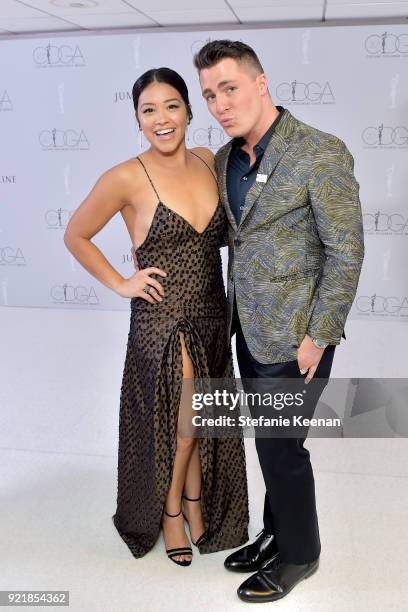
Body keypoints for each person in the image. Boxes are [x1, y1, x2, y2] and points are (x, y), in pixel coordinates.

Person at [192, 40, 365, 602]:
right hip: (250, 328)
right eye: (209, 94)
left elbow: (346, 252)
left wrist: (319, 335)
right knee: (270, 442)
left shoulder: (320, 152)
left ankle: (300, 554)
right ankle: (276, 531)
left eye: (229, 88)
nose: (219, 104)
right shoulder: (224, 160)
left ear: (261, 83)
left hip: (299, 337)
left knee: (281, 448)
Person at [64, 67, 249, 567]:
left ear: (189, 110)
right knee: (185, 420)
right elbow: (75, 235)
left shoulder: (211, 161)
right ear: (138, 120)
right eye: (149, 110)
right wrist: (122, 282)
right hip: (162, 317)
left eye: (171, 106)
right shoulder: (125, 176)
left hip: (212, 310)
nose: (162, 119)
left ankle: (194, 501)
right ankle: (172, 510)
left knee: (197, 415)